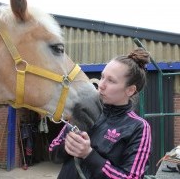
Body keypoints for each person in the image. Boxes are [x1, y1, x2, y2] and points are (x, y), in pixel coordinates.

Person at [49, 47, 152, 179]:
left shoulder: (139, 128)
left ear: (130, 90)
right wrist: (67, 147)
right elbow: (53, 151)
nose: (101, 84)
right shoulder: (86, 109)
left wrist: (88, 154)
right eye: (102, 77)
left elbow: (131, 177)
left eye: (111, 80)